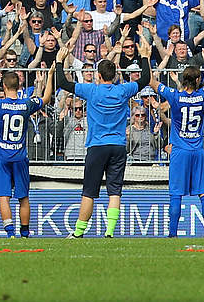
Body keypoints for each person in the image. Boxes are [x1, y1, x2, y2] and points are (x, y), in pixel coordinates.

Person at [54, 50, 148, 238]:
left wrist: (58, 61)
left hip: (97, 147)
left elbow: (62, 83)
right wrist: (145, 57)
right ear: (114, 76)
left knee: (89, 191)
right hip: (118, 146)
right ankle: (110, 232)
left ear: (98, 75)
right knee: (114, 191)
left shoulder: (92, 90)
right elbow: (145, 79)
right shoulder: (123, 90)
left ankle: (79, 233)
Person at [0, 60, 53, 238]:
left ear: (3, 86)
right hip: (19, 156)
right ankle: (25, 233)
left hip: (2, 156)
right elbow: (47, 98)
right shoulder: (26, 104)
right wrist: (49, 77)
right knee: (23, 196)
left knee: (4, 196)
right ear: (19, 85)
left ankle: (10, 233)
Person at [152, 62, 204, 238]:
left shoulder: (175, 96)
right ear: (198, 80)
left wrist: (146, 57)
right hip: (198, 150)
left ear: (182, 80)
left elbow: (152, 82)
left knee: (176, 194)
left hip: (179, 151)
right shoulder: (203, 95)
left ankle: (172, 235)